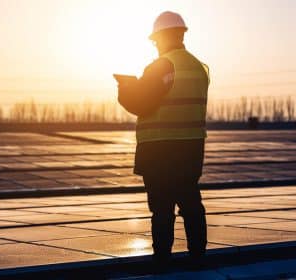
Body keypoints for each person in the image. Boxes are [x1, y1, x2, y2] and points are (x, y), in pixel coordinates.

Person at [117, 11, 210, 265]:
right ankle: (199, 256)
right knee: (190, 201)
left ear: (163, 37)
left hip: (161, 149)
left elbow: (141, 102)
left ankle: (162, 259)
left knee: (162, 208)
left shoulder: (162, 65)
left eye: (156, 40)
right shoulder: (199, 67)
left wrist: (125, 88)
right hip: (191, 148)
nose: (156, 45)